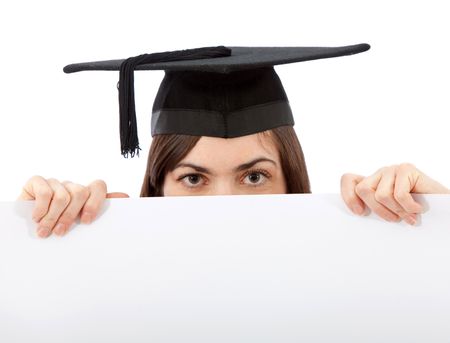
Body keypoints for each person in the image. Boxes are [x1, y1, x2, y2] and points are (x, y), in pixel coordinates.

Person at [18, 45, 450, 238]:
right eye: (192, 178)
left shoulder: (353, 273)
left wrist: (437, 223)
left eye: (255, 176)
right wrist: (35, 237)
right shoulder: (108, 283)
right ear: (156, 189)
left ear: (291, 181)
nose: (225, 201)